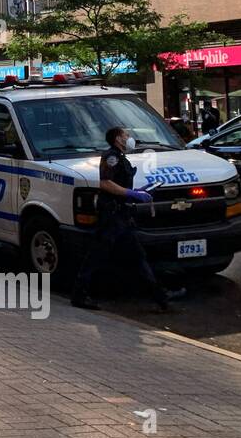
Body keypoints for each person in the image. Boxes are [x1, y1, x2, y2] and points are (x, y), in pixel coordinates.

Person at [72, 125, 186, 312]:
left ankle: (160, 297)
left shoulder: (120, 157)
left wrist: (139, 192)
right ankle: (79, 294)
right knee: (98, 255)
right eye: (125, 134)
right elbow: (105, 183)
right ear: (118, 139)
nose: (129, 137)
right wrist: (131, 194)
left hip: (121, 215)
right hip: (111, 215)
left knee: (137, 256)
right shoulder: (111, 157)